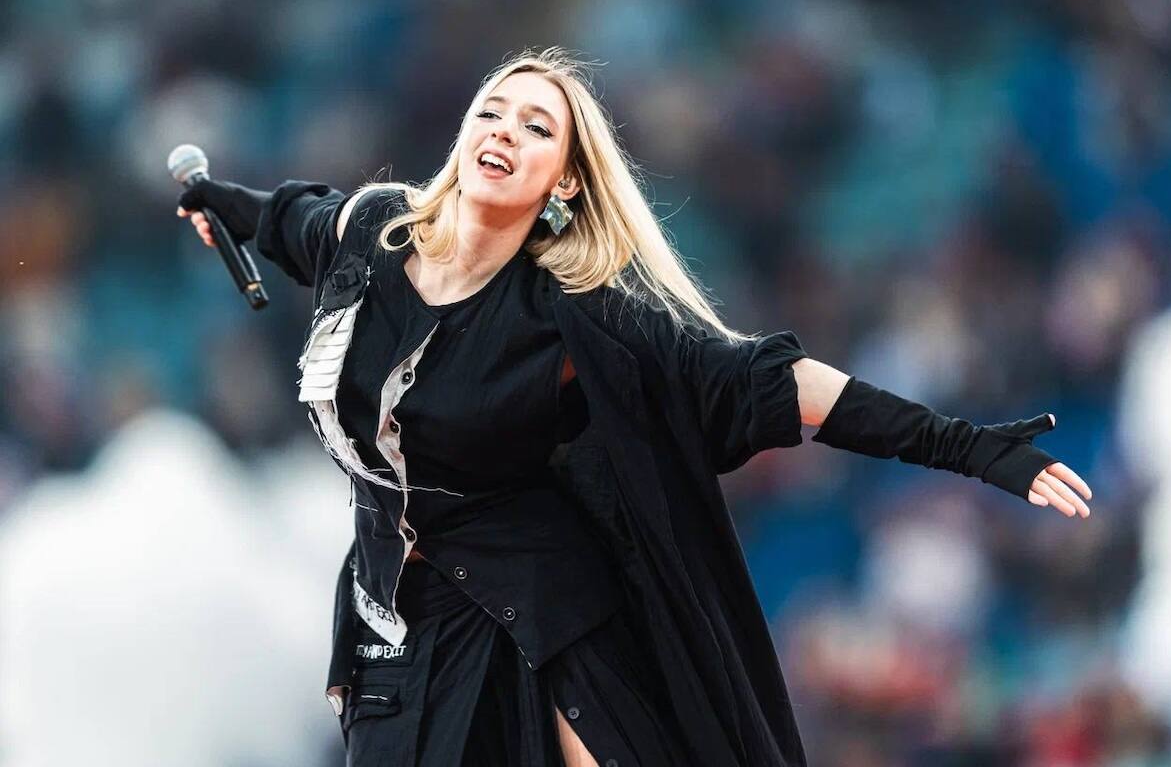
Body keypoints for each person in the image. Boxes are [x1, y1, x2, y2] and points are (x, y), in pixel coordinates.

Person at [177, 46, 1093, 767]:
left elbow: (762, 381)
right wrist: (223, 202)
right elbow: (293, 220)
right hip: (389, 638)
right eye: (491, 111)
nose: (503, 129)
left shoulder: (579, 310)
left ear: (565, 182)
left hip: (535, 630)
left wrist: (972, 448)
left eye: (537, 127)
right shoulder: (372, 233)